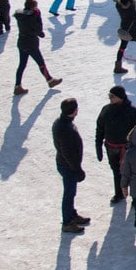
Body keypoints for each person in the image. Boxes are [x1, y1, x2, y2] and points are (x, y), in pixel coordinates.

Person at [95, 85, 136, 204]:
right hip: (111, 148)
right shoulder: (106, 110)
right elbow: (100, 128)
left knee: (132, 173)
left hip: (128, 149)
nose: (110, 98)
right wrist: (98, 145)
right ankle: (119, 193)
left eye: (112, 96)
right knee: (116, 171)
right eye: (109, 96)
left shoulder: (133, 112)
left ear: (121, 97)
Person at [52, 98, 89, 233]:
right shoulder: (65, 129)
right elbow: (67, 153)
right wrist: (77, 169)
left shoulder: (61, 123)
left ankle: (72, 215)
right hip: (68, 166)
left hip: (65, 164)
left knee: (71, 193)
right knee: (69, 193)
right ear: (73, 111)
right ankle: (67, 222)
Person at [12, 0, 63, 94]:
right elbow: (39, 30)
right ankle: (50, 80)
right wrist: (38, 16)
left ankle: (17, 86)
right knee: (41, 63)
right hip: (31, 44)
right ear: (33, 7)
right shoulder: (32, 18)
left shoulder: (20, 15)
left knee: (22, 65)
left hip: (21, 42)